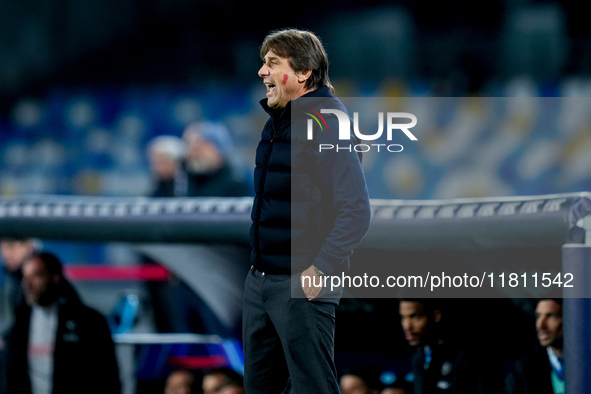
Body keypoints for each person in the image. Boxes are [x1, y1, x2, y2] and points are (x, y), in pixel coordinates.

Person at [243, 28, 371, 393]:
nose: (261, 72)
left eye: (272, 63)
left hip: (301, 283)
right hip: (262, 281)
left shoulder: (325, 122)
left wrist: (320, 270)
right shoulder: (278, 121)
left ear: (303, 73)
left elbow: (356, 210)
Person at [4, 251, 121, 394]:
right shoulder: (20, 325)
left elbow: (107, 377)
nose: (27, 284)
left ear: (55, 278)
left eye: (36, 276)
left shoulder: (89, 323)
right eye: (25, 277)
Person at [399, 299, 497, 394]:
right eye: (403, 317)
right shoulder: (420, 356)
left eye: (415, 317)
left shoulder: (470, 355)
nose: (407, 326)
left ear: (435, 316)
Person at [504, 298, 563, 394]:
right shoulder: (526, 367)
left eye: (551, 316)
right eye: (538, 316)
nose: (540, 325)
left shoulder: (586, 364)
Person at [183, 121, 250, 197]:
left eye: (200, 147)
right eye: (189, 146)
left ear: (219, 150)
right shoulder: (185, 180)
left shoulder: (236, 183)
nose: (193, 153)